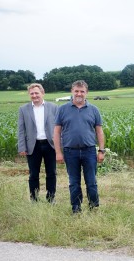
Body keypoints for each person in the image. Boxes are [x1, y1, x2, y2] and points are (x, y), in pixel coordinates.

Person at [54, 80, 105, 213]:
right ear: (72, 91)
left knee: (91, 181)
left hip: (89, 151)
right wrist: (58, 153)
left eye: (82, 91)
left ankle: (94, 206)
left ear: (86, 93)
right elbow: (57, 132)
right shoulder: (62, 109)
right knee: (74, 182)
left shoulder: (94, 110)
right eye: (76, 91)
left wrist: (101, 150)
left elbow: (99, 131)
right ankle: (76, 207)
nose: (79, 94)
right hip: (70, 152)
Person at [18, 83, 58, 203]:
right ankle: (34, 199)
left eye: (37, 93)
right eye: (32, 93)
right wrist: (22, 147)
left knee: (51, 173)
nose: (34, 95)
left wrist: (59, 146)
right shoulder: (23, 109)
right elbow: (21, 130)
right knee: (33, 174)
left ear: (42, 93)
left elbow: (60, 128)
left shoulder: (53, 107)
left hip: (50, 145)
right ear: (29, 95)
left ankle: (51, 198)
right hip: (33, 146)